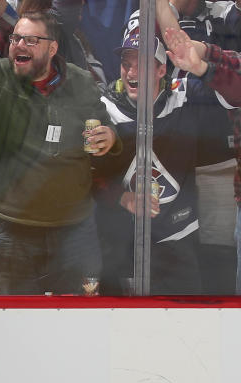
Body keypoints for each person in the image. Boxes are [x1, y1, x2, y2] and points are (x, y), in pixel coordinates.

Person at [0, 1, 119, 295]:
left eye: (31, 40)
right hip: (9, 228)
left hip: (73, 228)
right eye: (16, 38)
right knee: (16, 321)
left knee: (79, 319)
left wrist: (110, 138)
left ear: (52, 49)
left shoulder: (80, 81)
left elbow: (103, 125)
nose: (18, 45)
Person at [94, 27, 241, 294]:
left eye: (143, 65)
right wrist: (121, 197)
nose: (132, 73)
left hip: (178, 239)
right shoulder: (103, 107)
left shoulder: (185, 95)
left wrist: (202, 68)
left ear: (162, 70)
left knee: (183, 328)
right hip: (121, 242)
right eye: (126, 64)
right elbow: (83, 174)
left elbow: (235, 95)